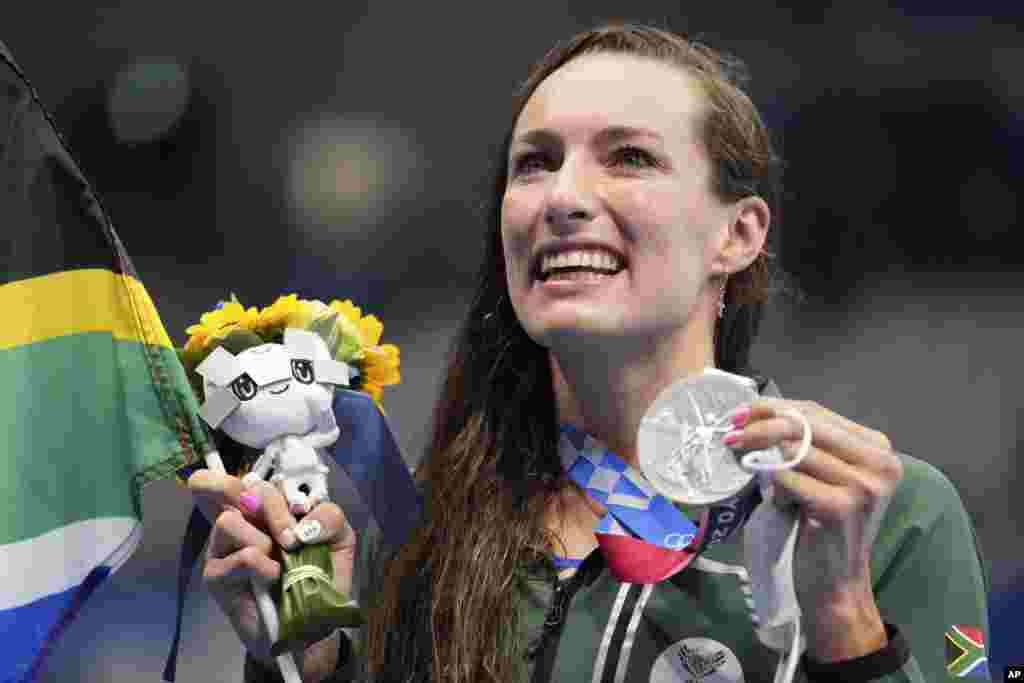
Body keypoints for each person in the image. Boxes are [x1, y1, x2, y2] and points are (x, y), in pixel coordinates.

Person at [188, 22, 992, 683]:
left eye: (629, 156)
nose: (563, 197)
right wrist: (312, 660)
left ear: (737, 233)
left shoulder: (882, 516)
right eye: (534, 163)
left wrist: (846, 621)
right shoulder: (428, 532)